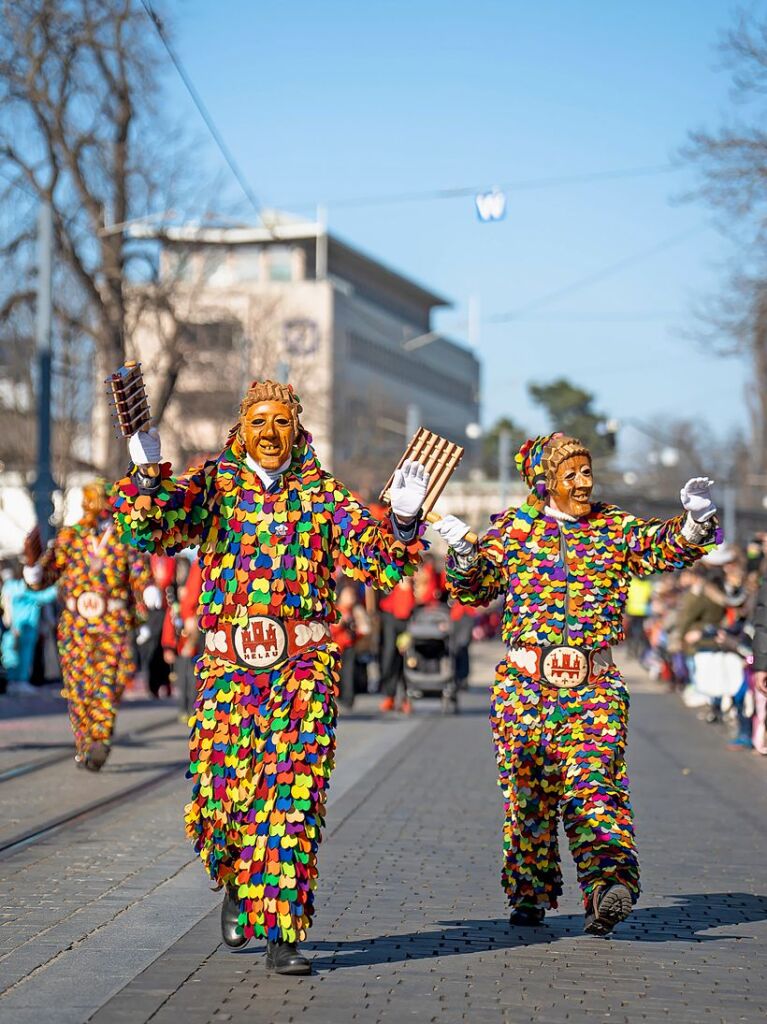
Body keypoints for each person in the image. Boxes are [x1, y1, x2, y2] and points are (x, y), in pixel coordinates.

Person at [112, 379, 428, 974]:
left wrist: (406, 521)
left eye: (281, 422)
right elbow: (151, 530)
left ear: (296, 428)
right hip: (230, 670)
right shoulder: (215, 484)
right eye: (258, 421)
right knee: (220, 799)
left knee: (292, 800)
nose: (269, 433)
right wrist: (149, 476)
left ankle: (283, 930)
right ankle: (237, 881)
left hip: (302, 670)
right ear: (241, 427)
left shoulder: (321, 492)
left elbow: (380, 560)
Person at [433, 432, 718, 935]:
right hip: (526, 686)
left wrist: (695, 523)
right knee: (529, 793)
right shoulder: (514, 530)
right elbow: (476, 588)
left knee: (594, 787)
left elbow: (661, 546)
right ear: (547, 482)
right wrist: (462, 551)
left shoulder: (612, 527)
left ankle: (607, 886)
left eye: (588, 472)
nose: (585, 482)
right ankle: (529, 891)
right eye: (573, 474)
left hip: (594, 686)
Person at [23, 479, 152, 769]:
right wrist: (33, 569)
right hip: (76, 625)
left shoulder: (124, 537)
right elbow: (48, 574)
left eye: (102, 500)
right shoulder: (71, 536)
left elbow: (139, 578)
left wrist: (143, 614)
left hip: (112, 622)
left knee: (108, 682)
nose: (96, 506)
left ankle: (100, 739)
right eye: (92, 500)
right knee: (79, 688)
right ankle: (84, 743)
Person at [0, 564, 57, 693]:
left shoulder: (11, 589)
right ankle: (19, 682)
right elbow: (43, 597)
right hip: (21, 630)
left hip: (17, 631)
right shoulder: (21, 590)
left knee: (14, 657)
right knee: (20, 658)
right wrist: (58, 587)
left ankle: (15, 682)